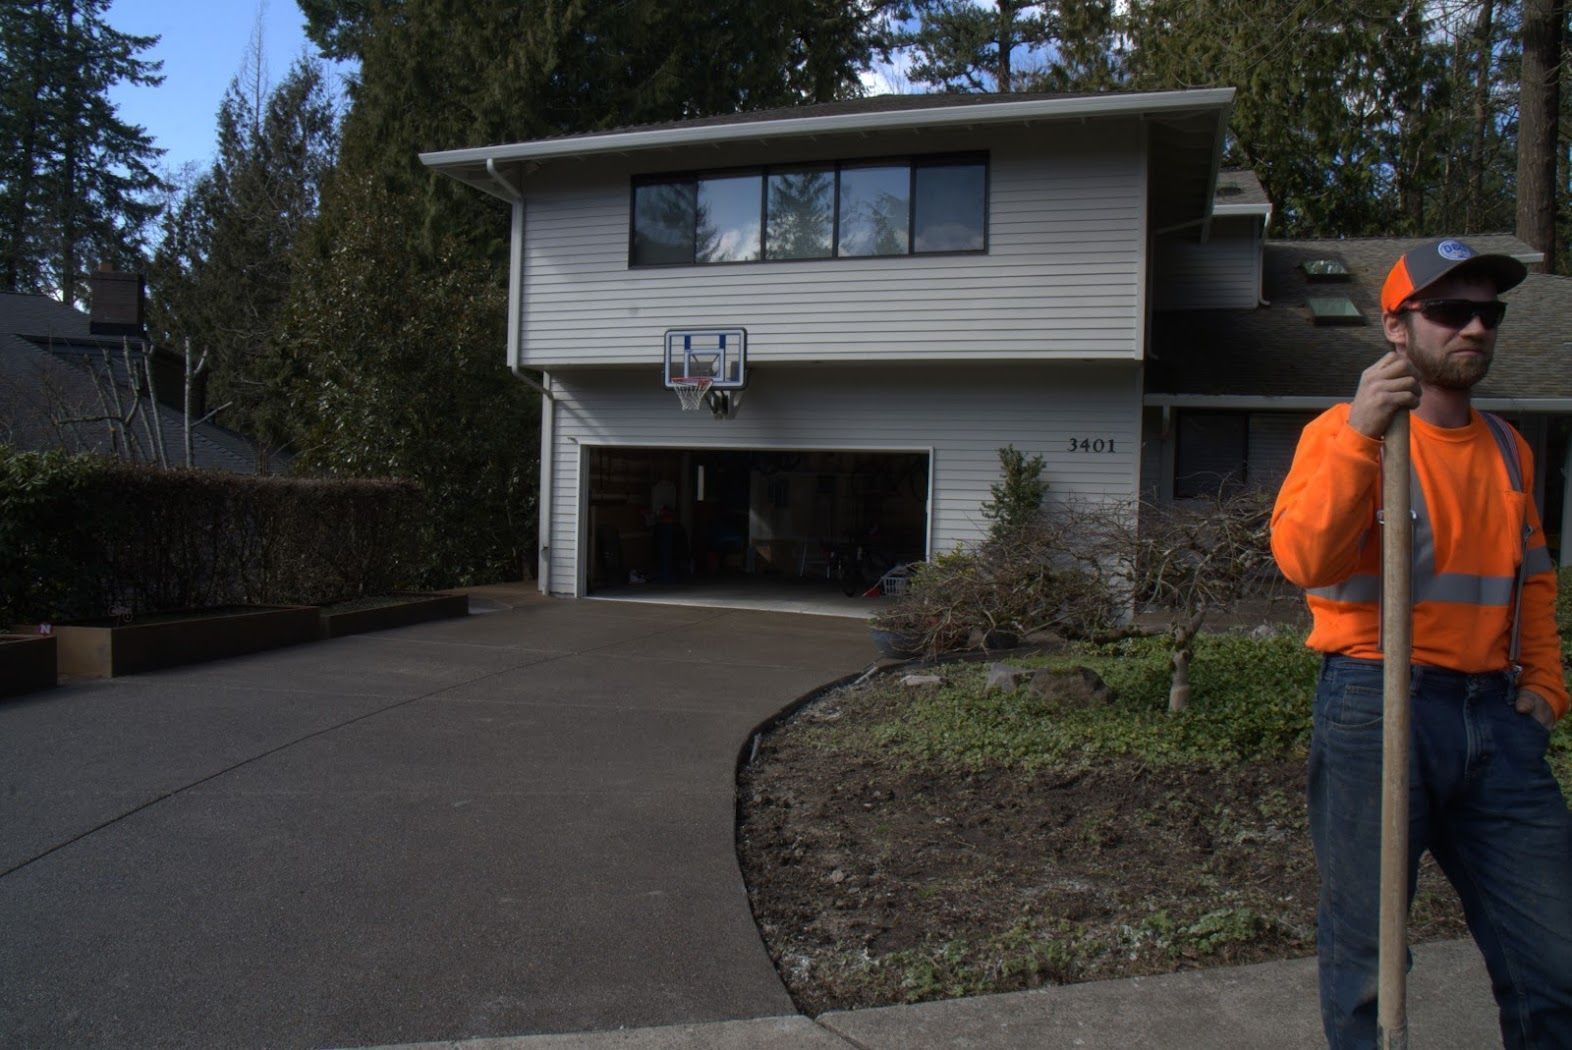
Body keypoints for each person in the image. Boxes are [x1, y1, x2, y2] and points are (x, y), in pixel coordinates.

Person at [1270, 237, 1572, 1048]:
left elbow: (1532, 581)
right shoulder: (1343, 432)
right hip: (1376, 704)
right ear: (1397, 329)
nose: (1474, 328)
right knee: (1368, 964)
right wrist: (1363, 435)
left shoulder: (1510, 449)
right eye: (1449, 311)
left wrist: (1544, 689)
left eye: (1489, 313)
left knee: (1557, 962)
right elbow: (1303, 559)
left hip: (1497, 721)